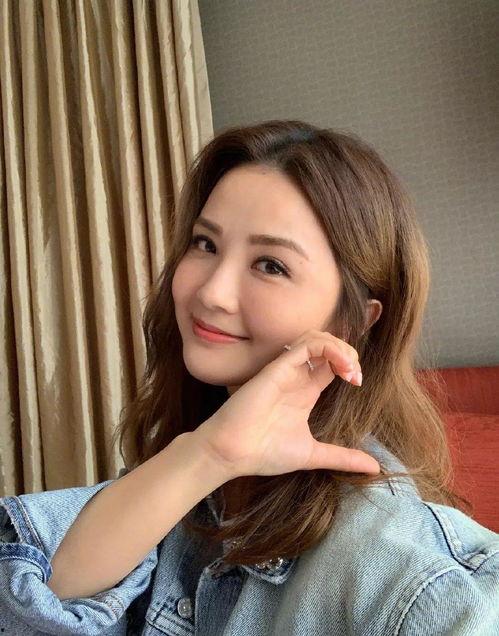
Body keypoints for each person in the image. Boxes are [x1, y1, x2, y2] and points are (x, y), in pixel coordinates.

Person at [1, 120, 497, 635]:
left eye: (270, 265)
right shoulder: (194, 468)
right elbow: (34, 601)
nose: (211, 292)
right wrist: (208, 455)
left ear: (352, 321)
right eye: (205, 244)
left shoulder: (391, 559)